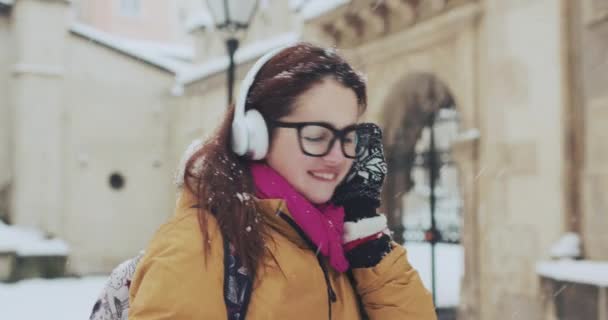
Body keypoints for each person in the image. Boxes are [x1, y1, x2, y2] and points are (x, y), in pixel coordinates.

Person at [127, 42, 436, 319]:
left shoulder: (336, 244)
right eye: (316, 137)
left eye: (348, 137)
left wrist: (366, 235)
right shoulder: (198, 244)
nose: (338, 157)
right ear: (255, 135)